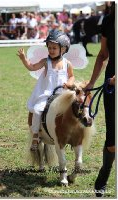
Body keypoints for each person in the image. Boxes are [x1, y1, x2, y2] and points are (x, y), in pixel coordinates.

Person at [17, 30, 75, 151]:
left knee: (76, 109)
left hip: (62, 95)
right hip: (47, 94)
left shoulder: (67, 64)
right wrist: (24, 59)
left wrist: (69, 83)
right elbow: (31, 67)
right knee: (38, 110)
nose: (51, 50)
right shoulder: (46, 62)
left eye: (54, 48)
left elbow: (71, 76)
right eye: (49, 47)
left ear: (63, 49)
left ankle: (73, 134)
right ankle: (35, 135)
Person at [84, 2, 115, 197]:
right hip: (111, 85)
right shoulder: (109, 20)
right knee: (113, 139)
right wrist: (91, 83)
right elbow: (103, 54)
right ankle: (104, 174)